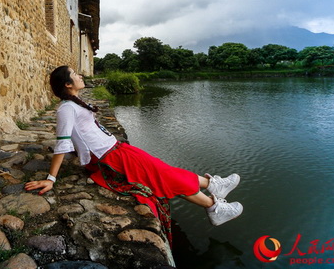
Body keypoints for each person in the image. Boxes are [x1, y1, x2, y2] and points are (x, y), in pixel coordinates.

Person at [25, 66, 243, 242]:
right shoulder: (66, 109)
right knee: (163, 176)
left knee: (163, 170)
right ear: (68, 84)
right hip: (108, 159)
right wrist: (51, 179)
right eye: (75, 74)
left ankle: (212, 186)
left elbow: (83, 135)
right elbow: (62, 143)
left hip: (116, 150)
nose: (80, 75)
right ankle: (212, 205)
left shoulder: (75, 104)